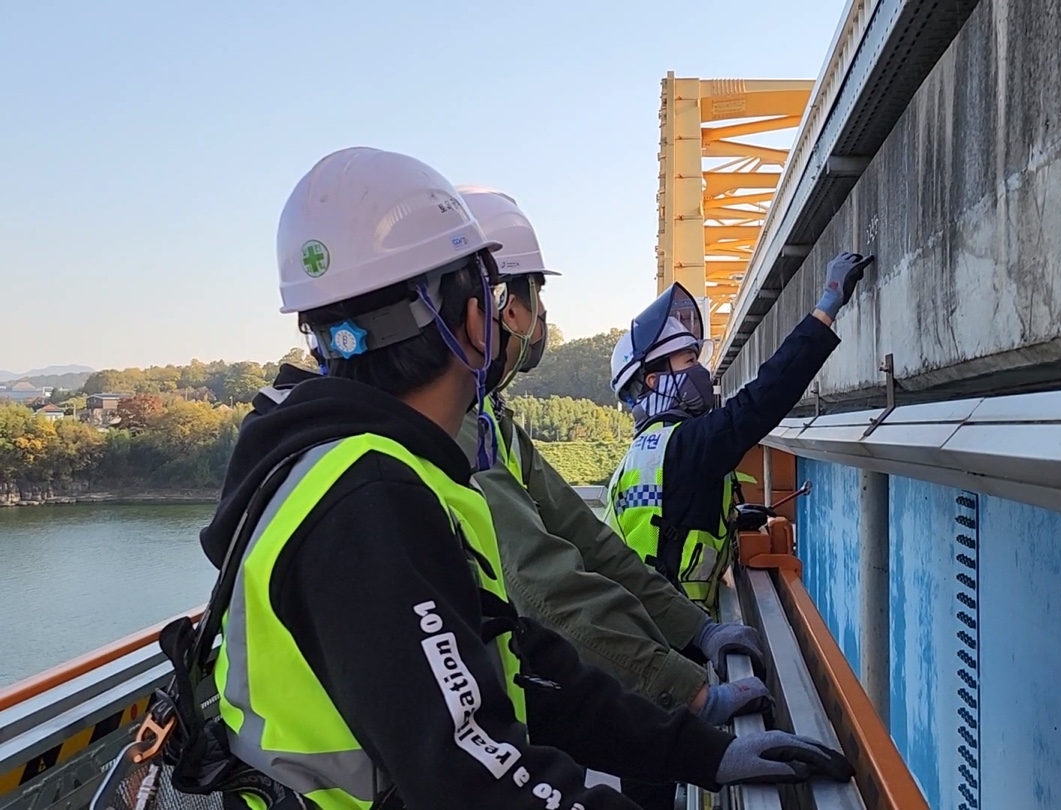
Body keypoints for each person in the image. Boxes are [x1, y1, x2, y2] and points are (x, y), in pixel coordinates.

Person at [194, 147, 852, 809]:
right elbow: (472, 773)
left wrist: (699, 750)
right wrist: (693, 697)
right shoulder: (370, 499)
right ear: (480, 315)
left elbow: (516, 657)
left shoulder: (371, 467)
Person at [452, 186, 778, 810]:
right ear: (494, 306)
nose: (539, 318)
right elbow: (541, 580)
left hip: (498, 702)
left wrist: (698, 632)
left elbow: (588, 541)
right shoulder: (454, 433)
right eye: (532, 298)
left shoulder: (487, 419)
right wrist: (690, 690)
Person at [605, 252, 873, 614]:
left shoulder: (645, 452)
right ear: (655, 381)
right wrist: (828, 302)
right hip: (675, 634)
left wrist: (729, 519)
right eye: (688, 361)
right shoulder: (685, 445)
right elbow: (760, 401)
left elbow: (669, 523)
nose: (701, 372)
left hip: (650, 624)